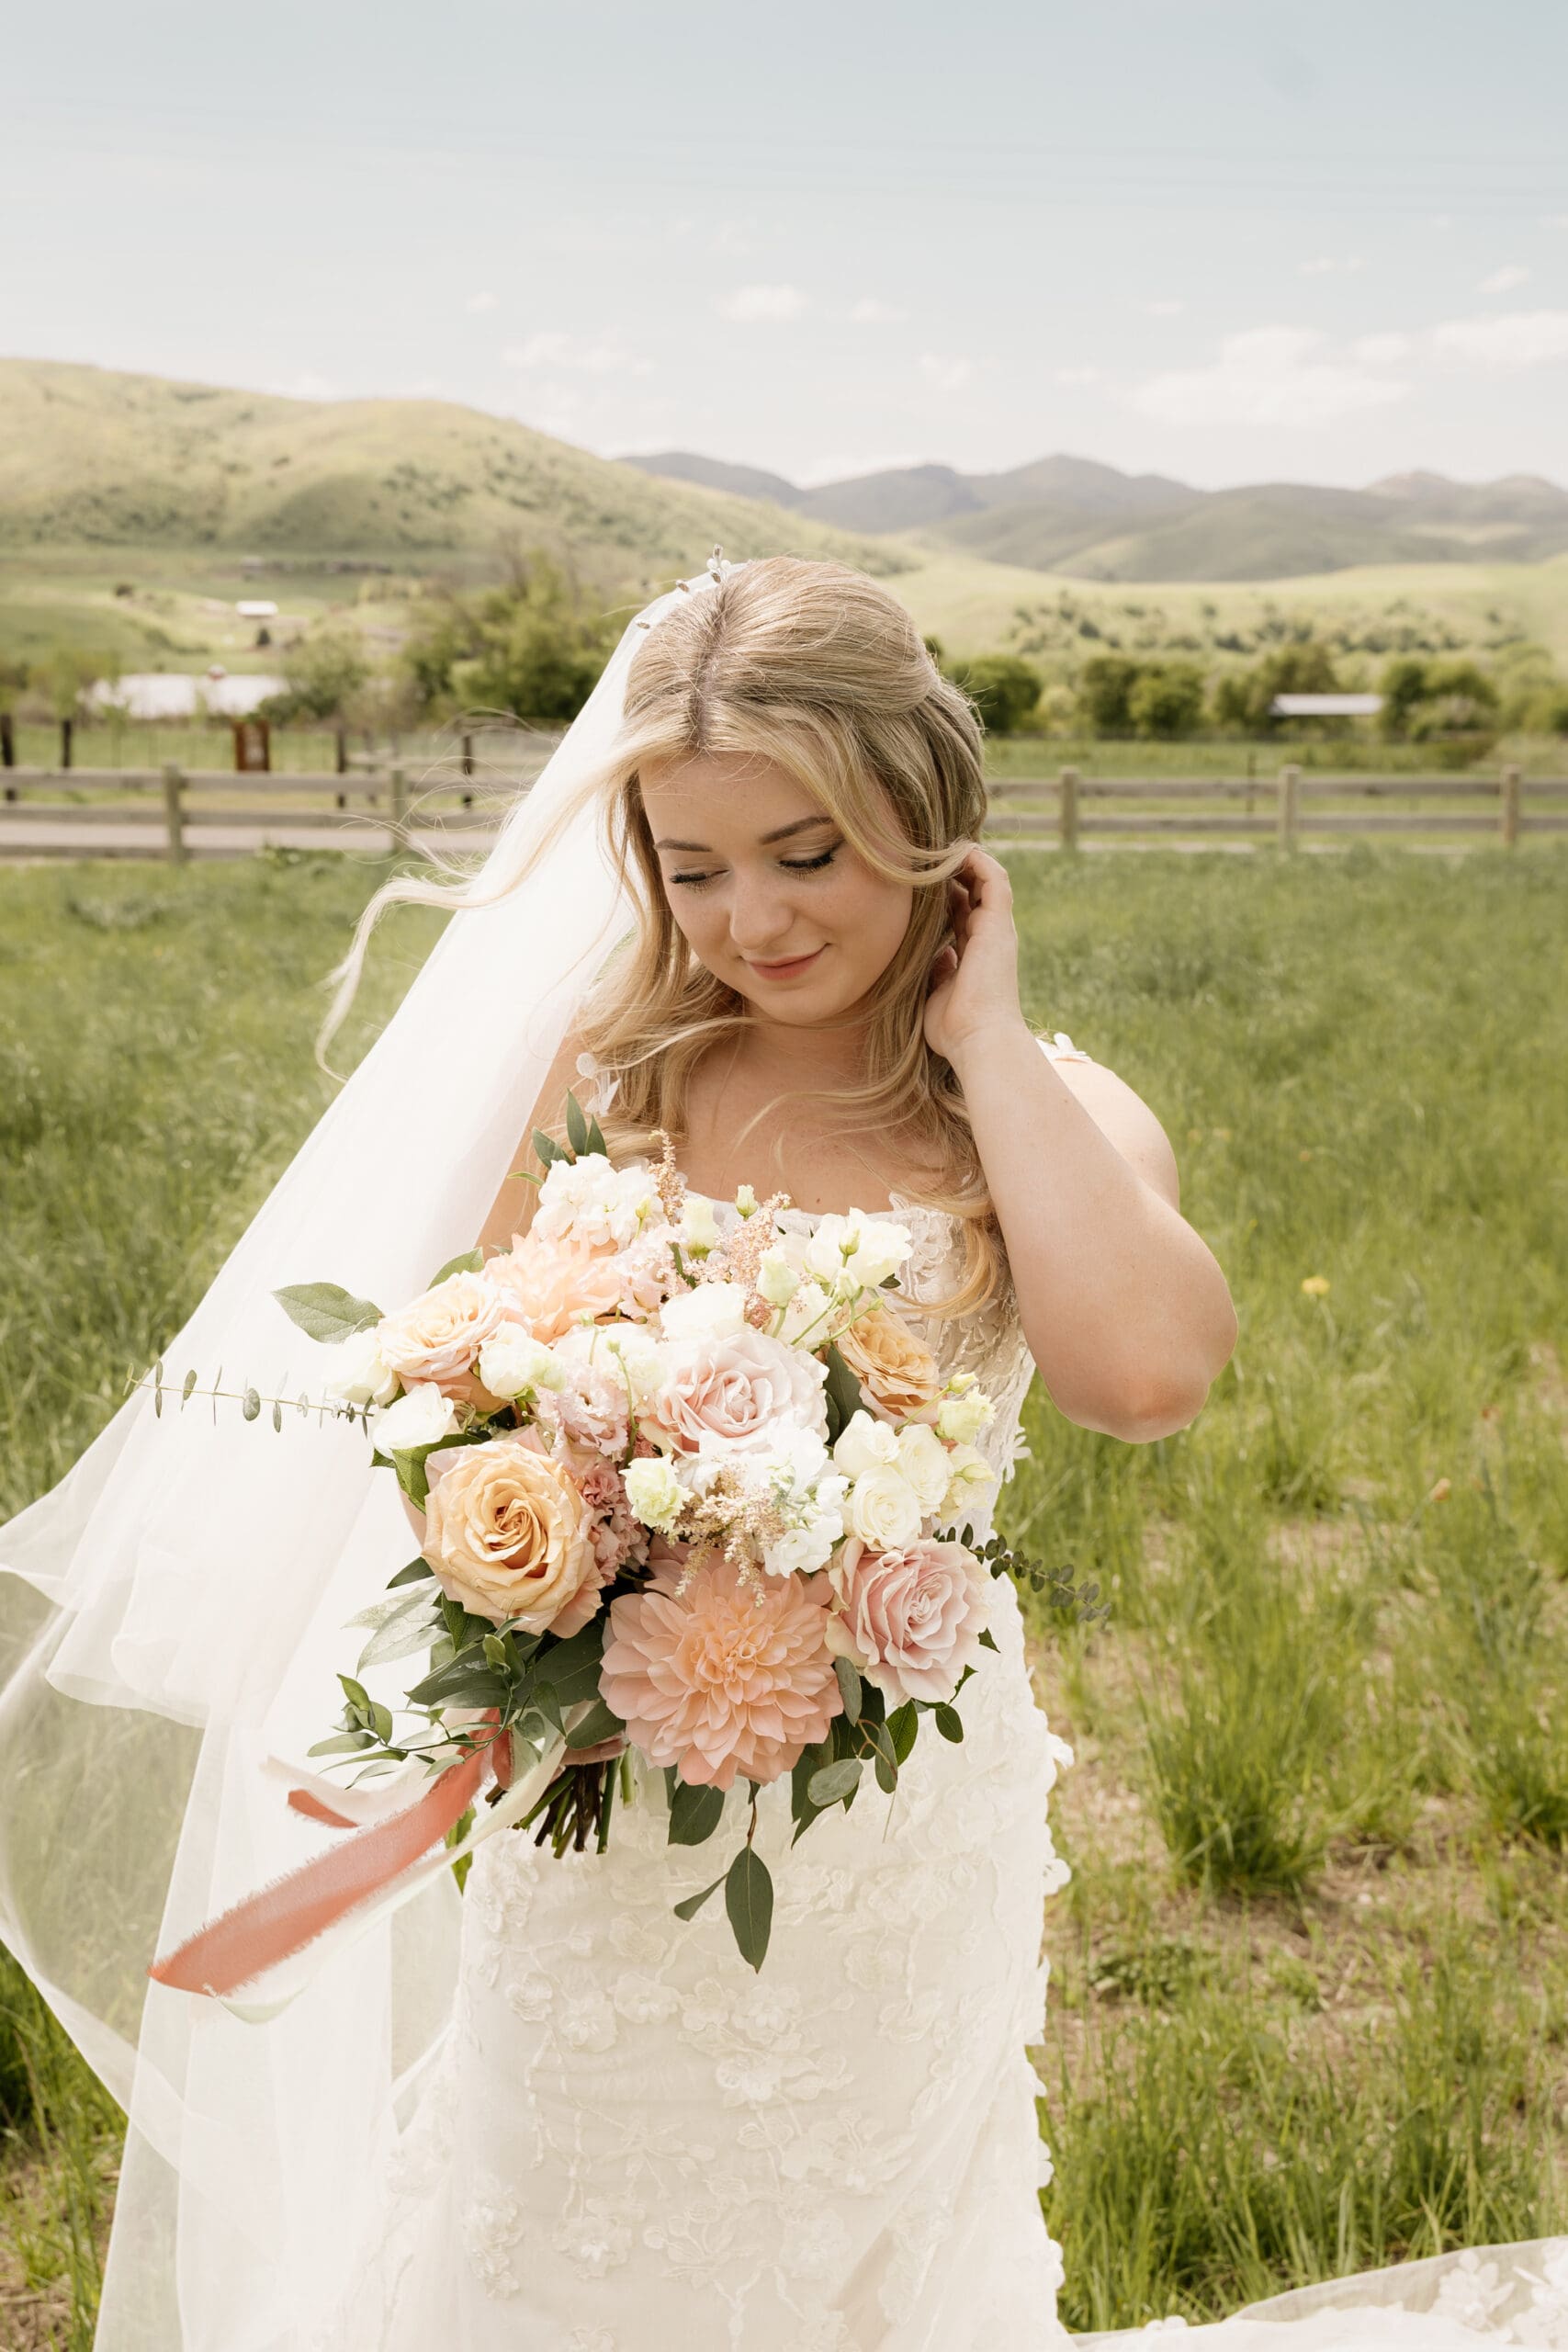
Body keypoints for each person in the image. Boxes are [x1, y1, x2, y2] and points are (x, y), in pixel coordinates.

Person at [1, 555, 1562, 2351]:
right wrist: (553, 1538)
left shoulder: (1042, 1105)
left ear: (924, 812)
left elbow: (1144, 1374)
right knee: (561, 2233)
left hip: (890, 1835)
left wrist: (979, 1038)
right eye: (694, 863)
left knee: (863, 2267)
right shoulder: (608, 1085)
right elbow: (455, 1408)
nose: (753, 912)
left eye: (805, 849)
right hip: (603, 1817)